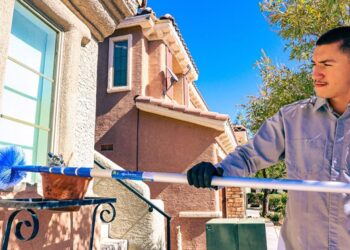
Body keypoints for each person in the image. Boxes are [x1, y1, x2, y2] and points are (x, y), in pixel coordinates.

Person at [187, 26, 350, 250]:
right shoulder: (292, 119)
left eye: (326, 65)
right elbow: (249, 157)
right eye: (314, 64)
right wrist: (218, 172)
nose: (315, 73)